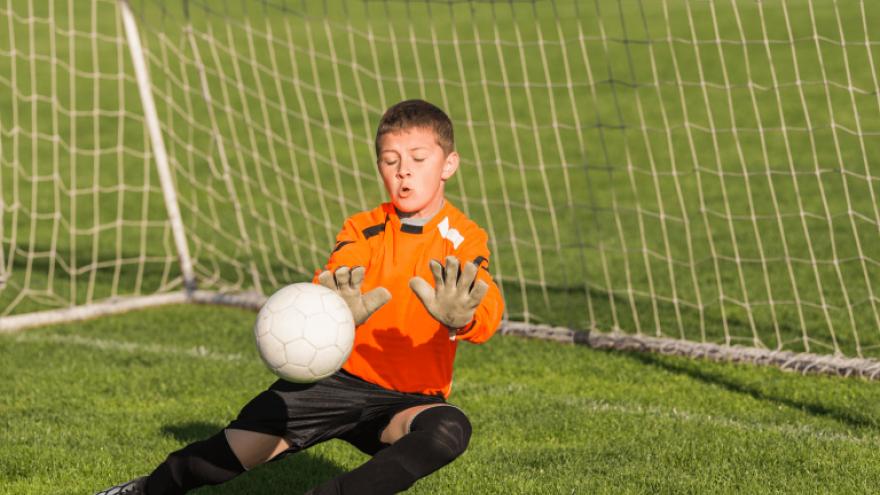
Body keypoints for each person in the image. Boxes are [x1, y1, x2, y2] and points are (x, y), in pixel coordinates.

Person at [96, 99, 505, 495]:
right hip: (334, 380)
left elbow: (487, 308)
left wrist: (462, 318)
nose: (403, 173)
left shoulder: (464, 238)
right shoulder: (364, 229)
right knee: (213, 462)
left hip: (408, 402)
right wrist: (338, 304)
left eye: (418, 159)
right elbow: (333, 276)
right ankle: (145, 490)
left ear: (448, 164)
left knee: (449, 430)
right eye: (390, 160)